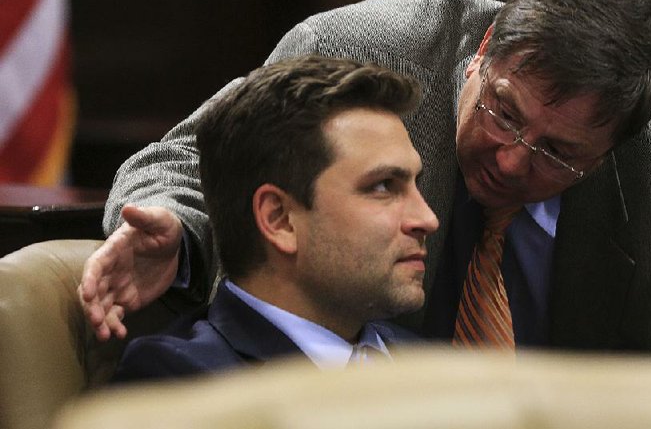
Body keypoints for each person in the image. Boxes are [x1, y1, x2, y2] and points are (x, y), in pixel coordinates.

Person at [80, 0, 651, 396]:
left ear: (610, 154)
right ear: (485, 48)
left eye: (557, 153)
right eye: (503, 112)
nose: (512, 158)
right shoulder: (362, 57)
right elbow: (191, 158)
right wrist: (178, 227)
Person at [111, 56, 438, 381]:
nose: (427, 218)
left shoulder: (434, 366)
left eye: (415, 184)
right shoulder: (181, 382)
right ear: (279, 220)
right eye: (383, 186)